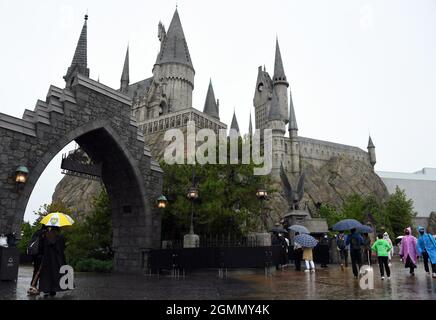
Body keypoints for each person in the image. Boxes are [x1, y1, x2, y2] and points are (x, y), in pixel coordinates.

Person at [38, 226, 67, 297]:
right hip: (58, 258)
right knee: (56, 273)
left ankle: (46, 289)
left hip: (47, 258)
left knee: (46, 274)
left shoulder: (46, 235)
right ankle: (53, 289)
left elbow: (40, 247)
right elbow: (63, 247)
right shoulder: (61, 236)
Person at [27, 226, 47, 295]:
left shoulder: (37, 232)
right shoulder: (45, 233)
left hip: (35, 255)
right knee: (41, 271)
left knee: (36, 270)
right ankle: (35, 287)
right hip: (42, 255)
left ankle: (34, 285)